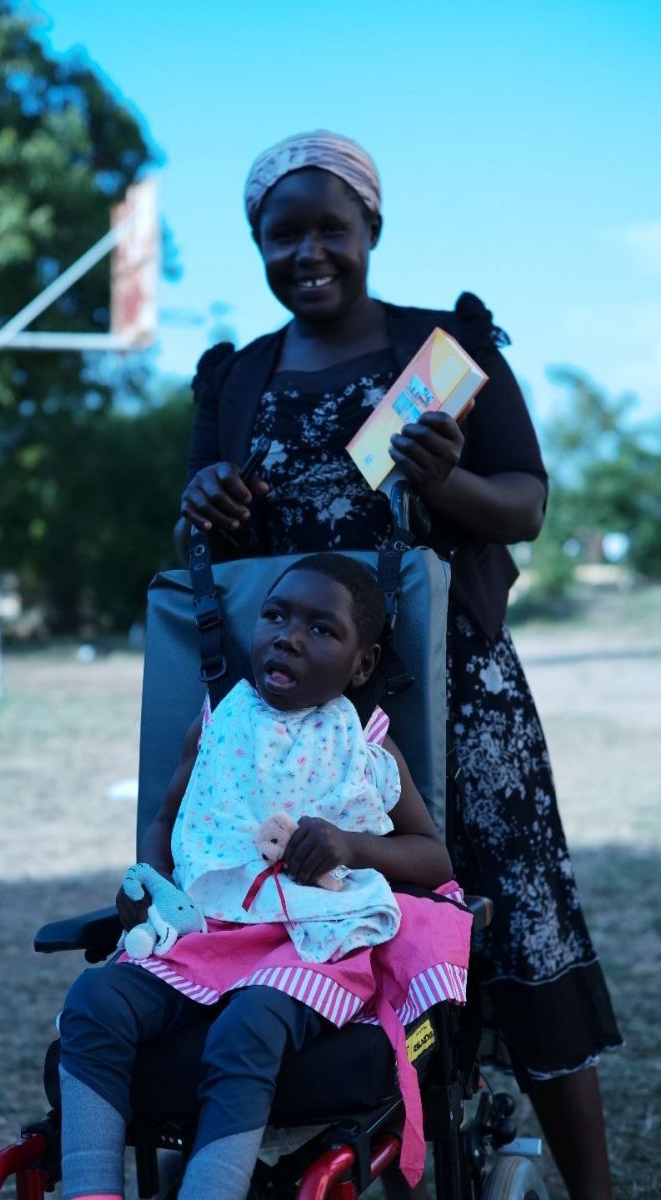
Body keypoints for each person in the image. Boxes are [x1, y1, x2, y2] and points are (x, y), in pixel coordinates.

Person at [175, 131, 622, 1200]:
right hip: (297, 711)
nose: (308, 251)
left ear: (369, 228)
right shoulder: (236, 380)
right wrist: (203, 509)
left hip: (454, 690)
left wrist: (451, 482)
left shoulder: (438, 352)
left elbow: (522, 500)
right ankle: (391, 1127)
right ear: (258, 246)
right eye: (282, 234)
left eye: (331, 226)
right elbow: (207, 551)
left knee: (508, 920)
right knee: (311, 895)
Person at [59, 553, 466, 1200]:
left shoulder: (366, 745)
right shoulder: (217, 724)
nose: (289, 636)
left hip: (313, 944)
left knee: (247, 1028)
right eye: (274, 616)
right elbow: (168, 821)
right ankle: (89, 1189)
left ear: (362, 665)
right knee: (92, 1001)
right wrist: (153, 886)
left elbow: (433, 859)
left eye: (321, 629)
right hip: (209, 932)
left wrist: (350, 846)